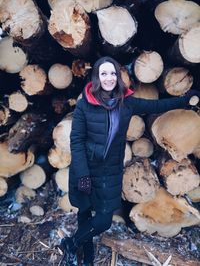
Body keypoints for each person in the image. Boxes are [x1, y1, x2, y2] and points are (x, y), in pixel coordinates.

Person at [59, 56, 198, 266]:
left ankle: (70, 243)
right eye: (104, 73)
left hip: (110, 171)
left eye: (112, 73)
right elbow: (76, 141)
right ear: (97, 77)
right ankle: (86, 259)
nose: (109, 78)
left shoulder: (127, 102)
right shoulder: (84, 106)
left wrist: (184, 101)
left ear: (117, 76)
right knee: (85, 212)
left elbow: (157, 105)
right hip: (86, 167)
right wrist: (82, 174)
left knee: (103, 220)